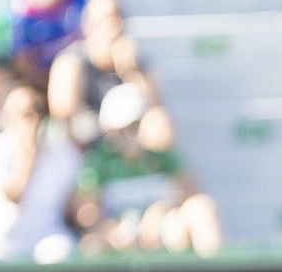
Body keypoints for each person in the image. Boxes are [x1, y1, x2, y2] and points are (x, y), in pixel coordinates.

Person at [74, 81, 221, 256]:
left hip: (164, 231)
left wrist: (162, 209)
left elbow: (193, 195)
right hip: (122, 236)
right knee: (91, 244)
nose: (129, 136)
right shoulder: (99, 161)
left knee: (202, 210)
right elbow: (86, 214)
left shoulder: (162, 152)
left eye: (134, 127)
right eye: (121, 130)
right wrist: (112, 230)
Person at [0, 82, 81, 264]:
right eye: (24, 113)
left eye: (38, 111)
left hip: (47, 234)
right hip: (2, 238)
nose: (33, 119)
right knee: (0, 257)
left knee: (62, 251)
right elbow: (12, 195)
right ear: (5, 117)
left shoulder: (63, 152)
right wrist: (28, 153)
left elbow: (75, 204)